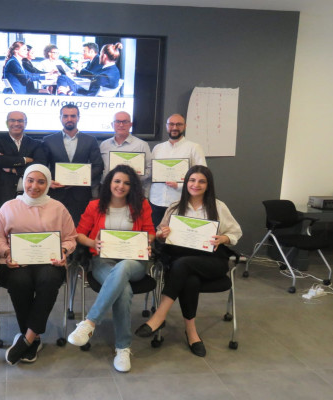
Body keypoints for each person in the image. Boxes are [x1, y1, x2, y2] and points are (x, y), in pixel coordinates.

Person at [135, 165, 242, 358]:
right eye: (192, 180)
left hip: (212, 261)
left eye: (202, 181)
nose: (196, 185)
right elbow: (160, 234)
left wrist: (223, 239)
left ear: (208, 185)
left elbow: (235, 232)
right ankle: (192, 332)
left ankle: (159, 316)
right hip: (180, 260)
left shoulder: (218, 206)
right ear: (186, 183)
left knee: (182, 266)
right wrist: (162, 234)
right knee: (189, 279)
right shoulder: (175, 207)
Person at [67, 165, 155, 372]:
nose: (121, 186)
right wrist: (92, 244)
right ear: (109, 183)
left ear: (132, 186)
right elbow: (78, 234)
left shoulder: (142, 205)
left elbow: (150, 233)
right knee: (123, 290)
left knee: (124, 267)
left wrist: (147, 240)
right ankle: (123, 348)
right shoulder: (95, 206)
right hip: (102, 260)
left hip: (134, 261)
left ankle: (89, 322)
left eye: (126, 183)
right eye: (117, 181)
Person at [0, 164, 77, 365]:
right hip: (14, 263)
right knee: (20, 281)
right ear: (24, 181)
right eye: (30, 180)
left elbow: (70, 238)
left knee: (48, 279)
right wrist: (6, 252)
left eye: (41, 181)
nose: (34, 186)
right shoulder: (9, 206)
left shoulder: (58, 208)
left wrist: (63, 251)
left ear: (48, 184)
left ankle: (27, 338)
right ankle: (33, 337)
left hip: (49, 262)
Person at [42, 104, 104, 224]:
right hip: (56, 194)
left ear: (78, 118)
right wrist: (48, 182)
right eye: (65, 116)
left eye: (73, 116)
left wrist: (81, 178)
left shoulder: (90, 140)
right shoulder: (48, 140)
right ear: (60, 117)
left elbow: (98, 166)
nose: (69, 119)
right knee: (55, 227)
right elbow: (42, 166)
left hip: (81, 195)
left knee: (79, 230)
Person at [149, 114, 206, 226]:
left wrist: (179, 185)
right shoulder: (158, 148)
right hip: (156, 201)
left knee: (178, 238)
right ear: (166, 126)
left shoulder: (194, 147)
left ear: (184, 126)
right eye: (171, 124)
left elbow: (203, 175)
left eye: (178, 124)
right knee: (158, 237)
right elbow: (152, 172)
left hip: (180, 201)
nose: (174, 127)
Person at [0, 111, 47, 217]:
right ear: (7, 123)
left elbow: (39, 165)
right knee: (2, 231)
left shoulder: (36, 144)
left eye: (20, 121)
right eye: (12, 120)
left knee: (27, 231)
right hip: (2, 196)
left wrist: (13, 169)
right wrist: (24, 160)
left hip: (29, 196)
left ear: (25, 123)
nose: (16, 123)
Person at [100, 111, 152, 191]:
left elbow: (150, 169)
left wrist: (133, 178)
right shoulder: (104, 145)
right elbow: (100, 168)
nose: (121, 125)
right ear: (112, 124)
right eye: (117, 121)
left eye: (125, 122)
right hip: (108, 191)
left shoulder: (142, 145)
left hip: (133, 191)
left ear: (131, 124)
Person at [57, 43, 122, 96]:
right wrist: (80, 68)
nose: (99, 56)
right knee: (63, 77)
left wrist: (69, 92)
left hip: (86, 98)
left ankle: (63, 101)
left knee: (62, 84)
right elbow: (94, 76)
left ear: (104, 56)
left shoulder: (103, 76)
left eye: (100, 54)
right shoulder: (114, 70)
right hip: (90, 92)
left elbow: (89, 98)